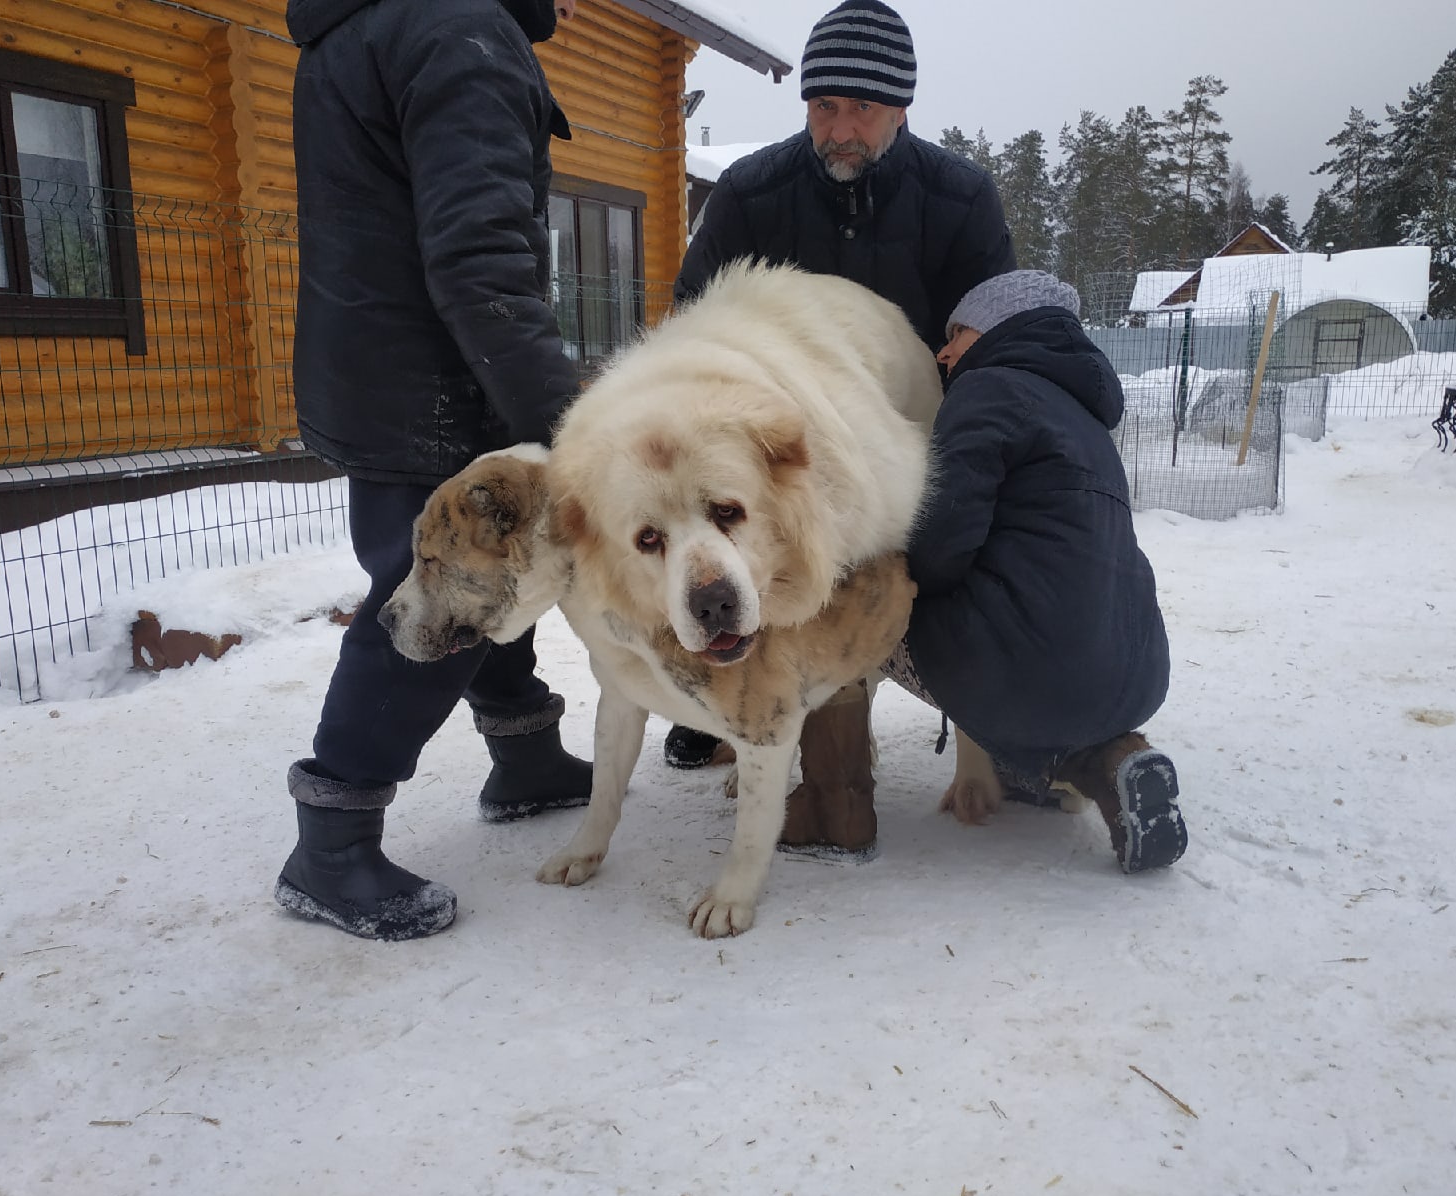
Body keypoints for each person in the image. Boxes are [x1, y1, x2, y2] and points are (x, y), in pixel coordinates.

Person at [664, 0, 1017, 856]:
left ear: (902, 107)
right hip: (783, 444)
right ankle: (777, 741)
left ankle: (982, 740)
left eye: (863, 108)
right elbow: (692, 323)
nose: (841, 129)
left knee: (950, 568)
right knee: (768, 573)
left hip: (920, 423)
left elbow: (988, 338)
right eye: (824, 107)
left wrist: (971, 440)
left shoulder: (960, 198)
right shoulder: (752, 192)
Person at [275, 0, 592, 941]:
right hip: (433, 379)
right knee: (434, 599)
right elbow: (480, 258)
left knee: (494, 574)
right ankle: (332, 842)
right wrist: (572, 428)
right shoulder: (459, 29)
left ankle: (526, 759)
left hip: (382, 364)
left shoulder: (386, 22)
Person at [888, 269, 1188, 873]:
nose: (943, 351)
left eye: (958, 332)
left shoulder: (987, 390)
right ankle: (1110, 763)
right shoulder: (1085, 415)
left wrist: (893, 574)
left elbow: (940, 544)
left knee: (868, 608)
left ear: (999, 328)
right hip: (1133, 671)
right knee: (1051, 685)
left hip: (1035, 666)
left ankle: (831, 792)